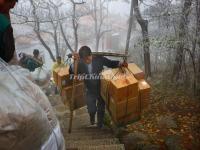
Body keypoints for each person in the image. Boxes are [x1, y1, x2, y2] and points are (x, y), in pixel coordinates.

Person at [70, 46, 128, 128]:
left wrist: (120, 64)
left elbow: (110, 63)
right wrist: (74, 61)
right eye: (84, 60)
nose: (87, 61)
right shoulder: (80, 62)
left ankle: (99, 125)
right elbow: (71, 71)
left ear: (91, 55)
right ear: (82, 59)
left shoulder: (99, 59)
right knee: (91, 109)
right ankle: (92, 117)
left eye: (88, 58)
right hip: (89, 89)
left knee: (101, 108)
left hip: (101, 87)